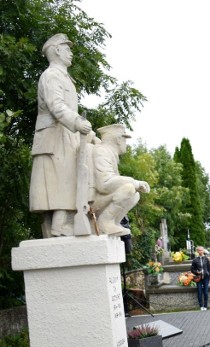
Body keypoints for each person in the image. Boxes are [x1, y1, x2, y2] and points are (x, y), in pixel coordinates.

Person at [29, 34, 93, 237]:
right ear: (57, 50)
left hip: (65, 135)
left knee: (67, 177)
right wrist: (77, 122)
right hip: (54, 136)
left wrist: (88, 132)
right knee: (60, 180)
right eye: (67, 48)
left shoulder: (63, 77)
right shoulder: (51, 75)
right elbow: (56, 106)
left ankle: (61, 224)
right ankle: (58, 225)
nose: (71, 52)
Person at [92, 124, 150, 236]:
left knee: (135, 193)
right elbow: (104, 184)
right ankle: (104, 222)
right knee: (129, 188)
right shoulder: (102, 152)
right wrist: (134, 182)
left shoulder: (109, 153)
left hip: (100, 197)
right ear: (118, 139)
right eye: (125, 140)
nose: (126, 144)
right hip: (92, 201)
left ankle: (113, 222)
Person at [191, 246, 210, 311]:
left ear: (203, 251)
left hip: (206, 277)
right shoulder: (195, 260)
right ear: (197, 251)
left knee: (205, 292)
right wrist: (196, 272)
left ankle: (205, 306)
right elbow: (192, 269)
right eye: (199, 250)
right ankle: (201, 306)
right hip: (198, 278)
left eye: (202, 250)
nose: (201, 251)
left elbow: (209, 268)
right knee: (199, 292)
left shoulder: (206, 259)